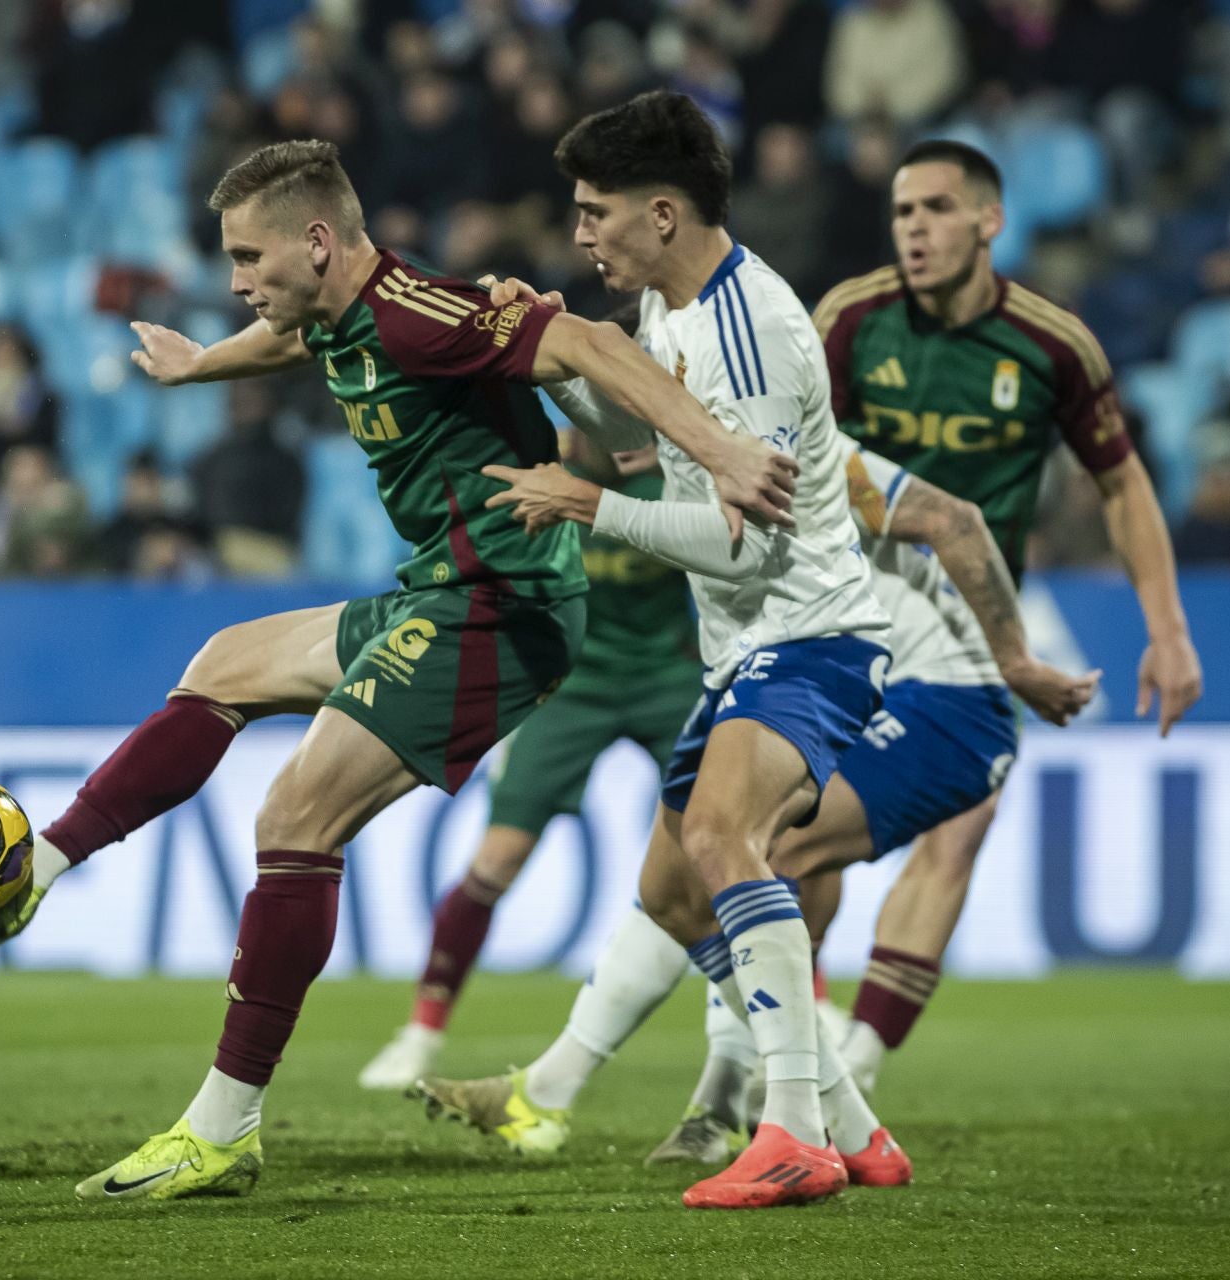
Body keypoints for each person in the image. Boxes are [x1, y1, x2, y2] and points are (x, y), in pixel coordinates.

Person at [0, 138, 797, 1203]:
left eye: (247, 255)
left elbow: (587, 341)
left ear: (318, 241)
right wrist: (200, 364)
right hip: (440, 592)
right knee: (223, 663)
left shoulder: (424, 314)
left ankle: (222, 1126)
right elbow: (293, 340)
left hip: (505, 607)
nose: (235, 280)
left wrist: (724, 455)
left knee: (294, 818)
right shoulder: (343, 314)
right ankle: (34, 873)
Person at [413, 89, 899, 1211]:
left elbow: (739, 549)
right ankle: (860, 1131)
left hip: (809, 632)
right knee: (674, 893)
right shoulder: (673, 315)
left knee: (726, 836)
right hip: (747, 649)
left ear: (664, 213)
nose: (581, 233)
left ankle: (789, 1131)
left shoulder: (755, 329)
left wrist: (584, 505)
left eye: (596, 212)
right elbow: (650, 444)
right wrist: (569, 360)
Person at [419, 442, 1094, 1176]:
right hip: (798, 673)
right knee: (672, 884)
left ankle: (739, 1108)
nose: (574, 435)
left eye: (592, 400)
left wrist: (1017, 661)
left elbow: (953, 519)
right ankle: (580, 1093)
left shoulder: (784, 443)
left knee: (745, 850)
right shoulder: (689, 455)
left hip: (940, 697)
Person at [808, 139, 1202, 1095]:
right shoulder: (850, 320)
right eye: (903, 212)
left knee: (959, 831)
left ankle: (853, 1068)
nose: (915, 230)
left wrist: (1170, 629)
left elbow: (1121, 485)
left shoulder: (1052, 344)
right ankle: (779, 1036)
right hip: (848, 607)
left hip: (975, 623)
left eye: (938, 209)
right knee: (800, 830)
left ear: (990, 222)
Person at [357, 428, 702, 1092]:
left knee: (729, 850)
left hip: (668, 681)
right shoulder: (536, 480)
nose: (585, 429)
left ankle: (809, 1001)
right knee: (496, 862)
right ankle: (421, 1032)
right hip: (569, 688)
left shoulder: (672, 483)